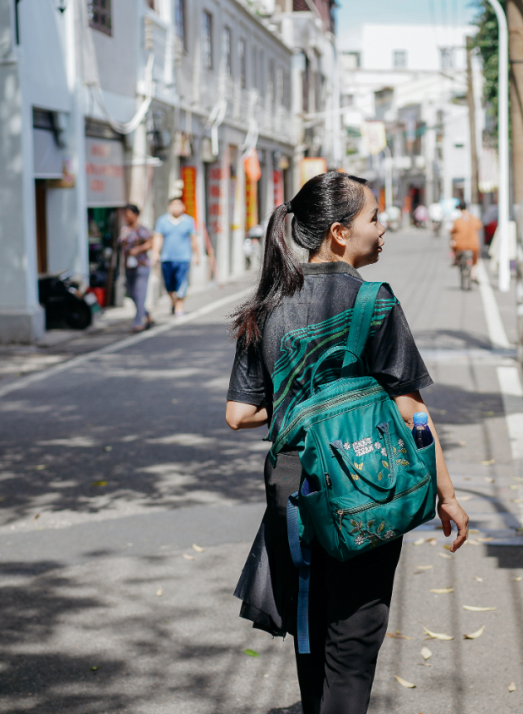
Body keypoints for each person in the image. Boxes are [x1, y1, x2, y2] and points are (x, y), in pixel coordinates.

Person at [224, 172, 470, 714]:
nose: (383, 230)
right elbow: (412, 412)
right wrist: (445, 492)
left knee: (310, 639)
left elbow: (239, 414)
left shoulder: (264, 308)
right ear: (339, 232)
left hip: (292, 492)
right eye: (374, 219)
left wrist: (300, 404)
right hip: (365, 483)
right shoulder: (374, 302)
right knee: (353, 649)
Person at [153, 197, 199, 316]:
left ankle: (179, 307)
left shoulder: (189, 221)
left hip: (183, 258)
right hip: (167, 258)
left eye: (179, 205)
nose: (176, 208)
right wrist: (155, 253)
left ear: (183, 207)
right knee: (169, 286)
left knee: (182, 283)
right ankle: (173, 302)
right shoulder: (162, 221)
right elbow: (158, 237)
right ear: (169, 207)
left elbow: (193, 239)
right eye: (174, 205)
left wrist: (196, 255)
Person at [118, 204, 154, 332]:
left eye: (128, 214)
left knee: (140, 294)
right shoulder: (125, 230)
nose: (126, 217)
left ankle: (138, 323)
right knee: (132, 293)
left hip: (141, 266)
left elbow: (150, 243)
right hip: (129, 266)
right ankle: (146, 313)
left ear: (135, 214)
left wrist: (138, 249)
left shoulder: (142, 229)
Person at [449, 200, 481, 281]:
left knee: (452, 245)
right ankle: (473, 273)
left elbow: (452, 230)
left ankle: (456, 260)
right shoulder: (473, 218)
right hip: (473, 245)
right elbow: (479, 226)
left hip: (459, 245)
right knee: (476, 259)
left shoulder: (457, 220)